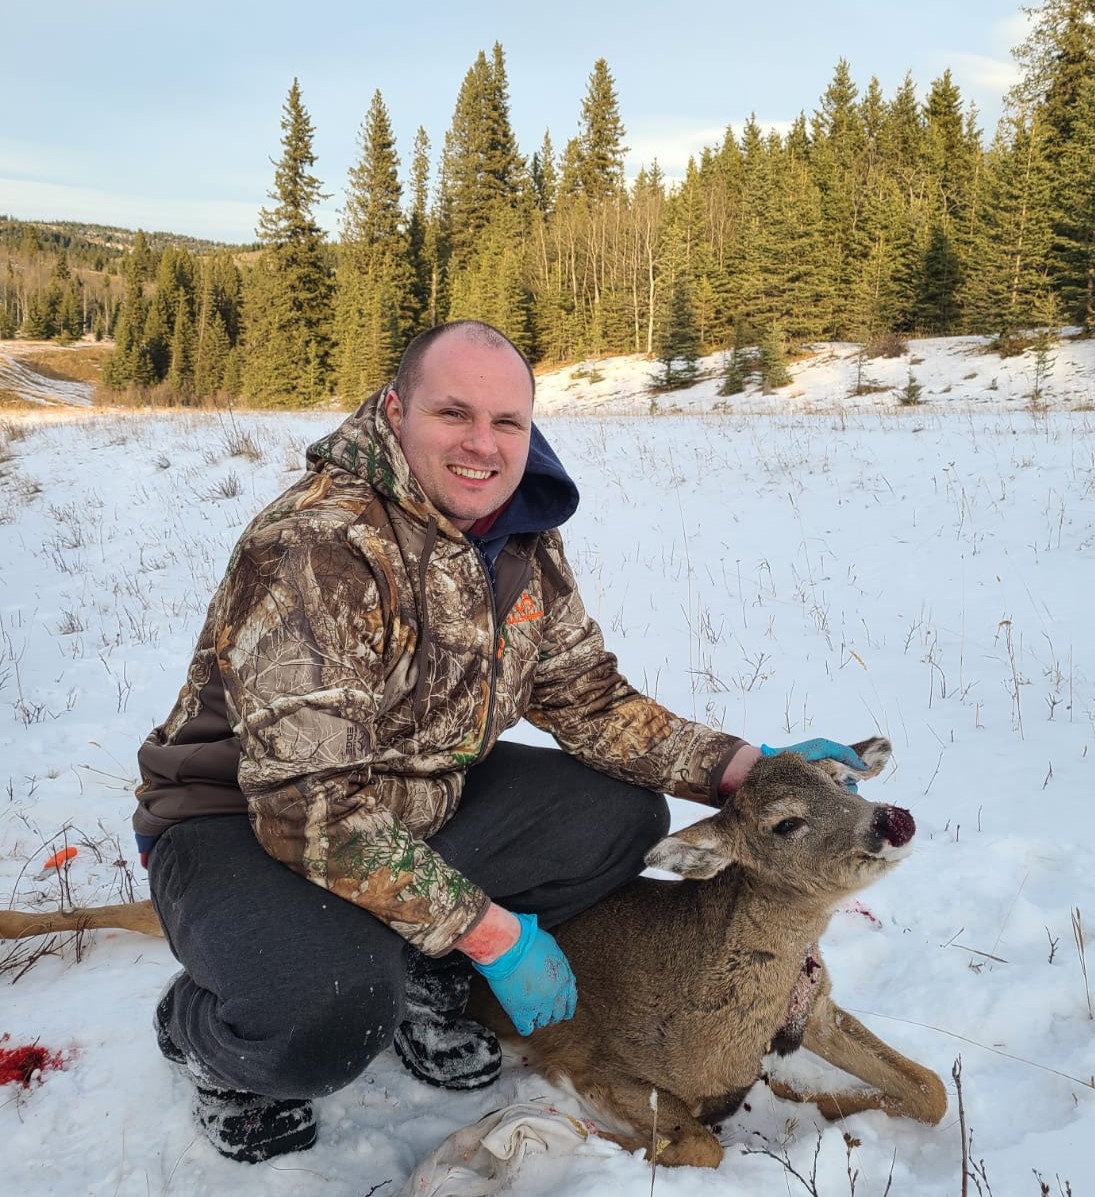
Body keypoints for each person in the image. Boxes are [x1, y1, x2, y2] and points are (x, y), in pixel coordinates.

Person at [132, 319, 868, 1164]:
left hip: (418, 802)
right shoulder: (319, 547)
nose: (483, 444)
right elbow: (310, 811)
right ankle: (206, 1039)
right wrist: (491, 933)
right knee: (326, 1013)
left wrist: (749, 770)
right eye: (454, 413)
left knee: (621, 817)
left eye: (507, 422)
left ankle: (415, 973)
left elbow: (589, 697)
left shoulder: (516, 538)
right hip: (237, 823)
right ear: (395, 409)